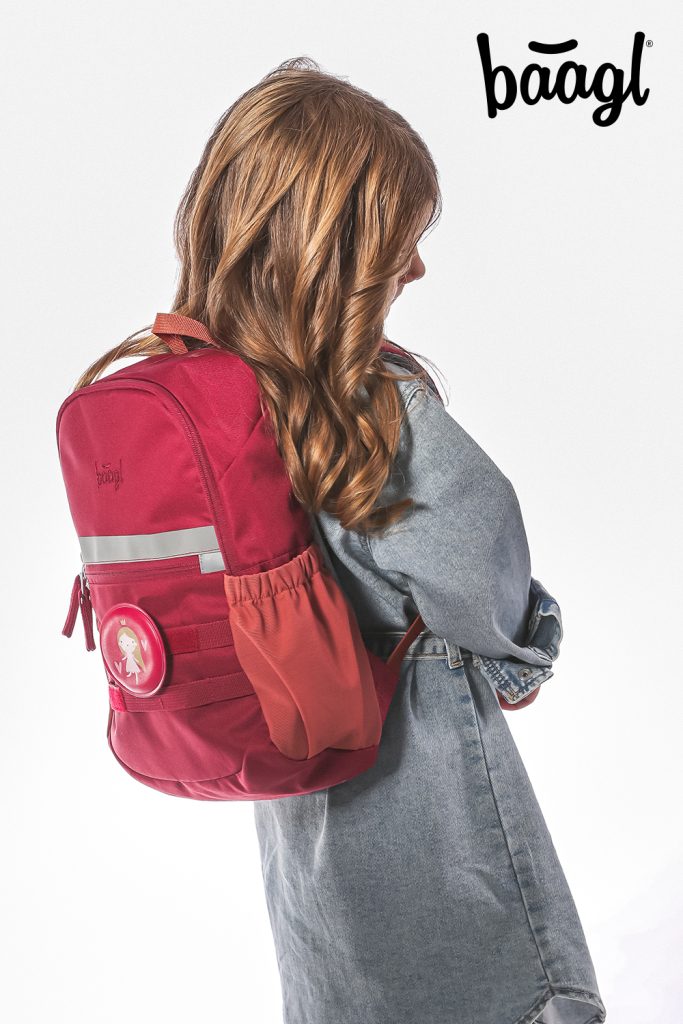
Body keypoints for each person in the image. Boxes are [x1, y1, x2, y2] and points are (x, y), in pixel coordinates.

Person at [80, 54, 606, 1024]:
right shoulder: (370, 402)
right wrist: (523, 650)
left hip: (301, 796)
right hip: (429, 784)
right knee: (500, 989)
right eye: (400, 241)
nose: (416, 268)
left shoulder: (225, 395)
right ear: (337, 246)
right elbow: (470, 550)